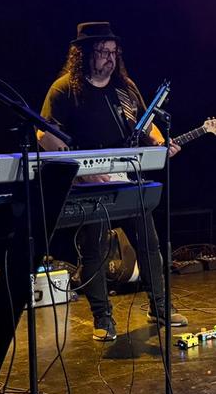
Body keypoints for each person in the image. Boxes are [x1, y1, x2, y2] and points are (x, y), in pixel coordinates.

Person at [38, 21, 187, 341]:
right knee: (95, 250)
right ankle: (102, 317)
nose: (109, 58)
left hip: (127, 178)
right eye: (102, 51)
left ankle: (160, 306)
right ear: (83, 54)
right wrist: (79, 170)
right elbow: (44, 135)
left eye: (113, 52)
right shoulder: (64, 89)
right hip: (89, 183)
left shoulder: (125, 87)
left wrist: (160, 144)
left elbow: (146, 123)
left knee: (149, 244)